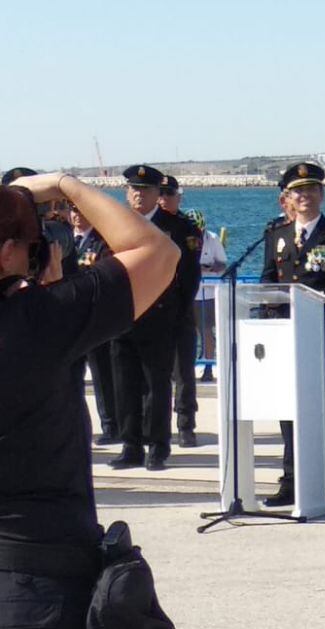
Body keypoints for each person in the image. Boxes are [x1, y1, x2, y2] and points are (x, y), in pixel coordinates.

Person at [0, 172, 179, 627]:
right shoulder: (41, 321)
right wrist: (67, 185)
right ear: (6, 253)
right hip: (38, 576)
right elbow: (158, 253)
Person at [260, 162, 325, 508]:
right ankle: (292, 477)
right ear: (288, 197)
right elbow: (266, 281)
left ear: (322, 194)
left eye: (311, 190)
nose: (305, 196)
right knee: (288, 407)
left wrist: (318, 298)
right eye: (298, 191)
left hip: (324, 332)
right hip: (286, 334)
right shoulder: (275, 234)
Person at [109, 165, 202, 470]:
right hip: (123, 317)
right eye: (133, 189)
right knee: (125, 385)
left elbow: (189, 278)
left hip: (160, 319)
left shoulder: (178, 229)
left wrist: (176, 316)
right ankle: (130, 444)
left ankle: (157, 446)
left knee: (157, 386)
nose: (138, 194)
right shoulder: (113, 225)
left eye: (146, 190)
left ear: (157, 195)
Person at [158, 174, 203, 446]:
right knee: (154, 375)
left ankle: (186, 425)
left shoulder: (187, 229)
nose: (163, 198)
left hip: (179, 307)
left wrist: (182, 304)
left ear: (178, 197)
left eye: (169, 194)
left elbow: (191, 271)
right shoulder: (143, 226)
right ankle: (154, 428)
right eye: (159, 193)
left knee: (184, 372)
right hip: (149, 309)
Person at [70, 202, 121, 445]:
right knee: (69, 378)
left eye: (80, 211)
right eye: (73, 211)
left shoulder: (101, 242)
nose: (76, 216)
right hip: (66, 321)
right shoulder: (62, 240)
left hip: (92, 319)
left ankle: (111, 425)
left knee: (102, 376)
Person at [190, 209, 227, 382]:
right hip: (188, 292)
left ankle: (208, 368)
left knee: (206, 331)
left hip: (208, 293)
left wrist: (209, 268)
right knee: (185, 332)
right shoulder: (182, 238)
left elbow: (223, 264)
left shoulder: (212, 239)